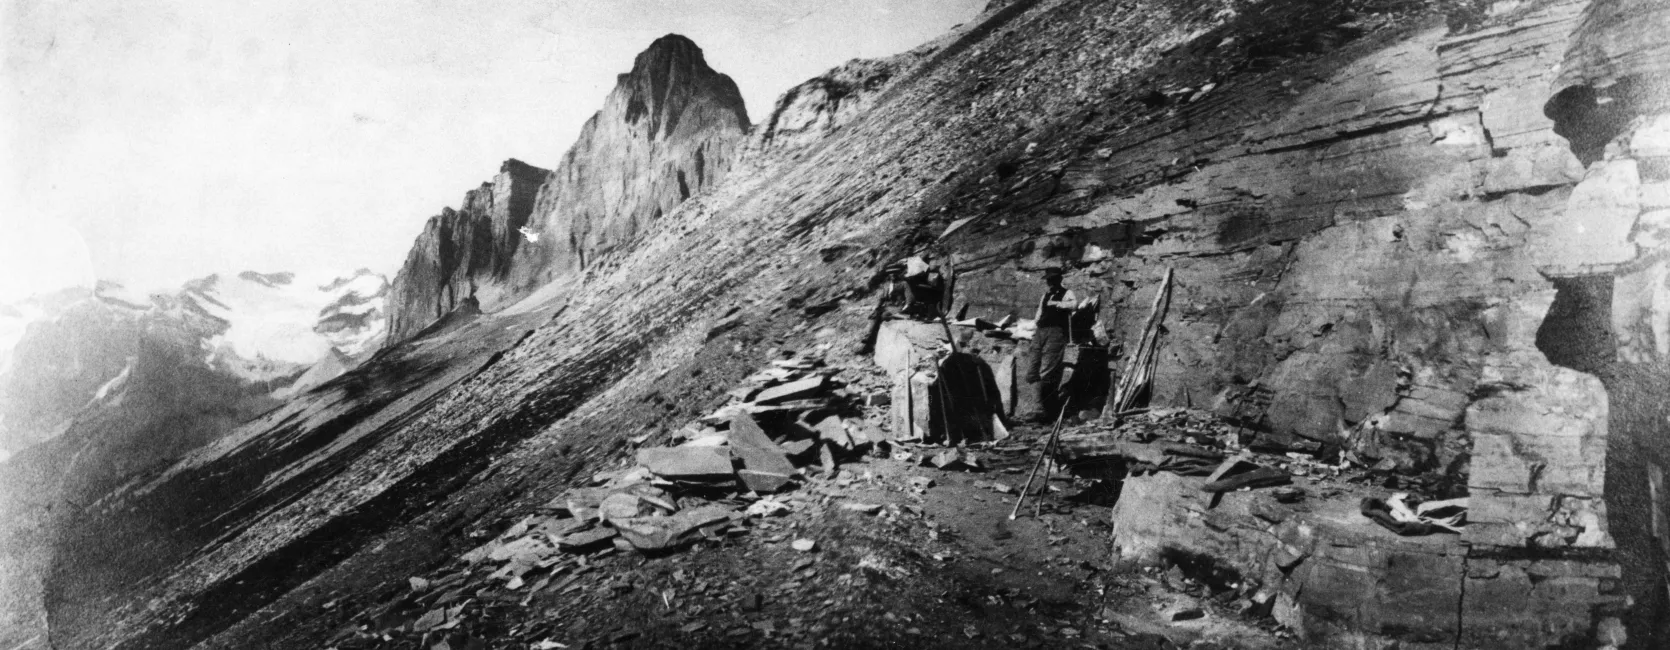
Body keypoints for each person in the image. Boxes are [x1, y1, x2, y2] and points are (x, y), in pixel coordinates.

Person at [1025, 267, 1082, 419]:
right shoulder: (1045, 295)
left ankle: (1046, 411)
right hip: (1041, 332)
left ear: (1059, 279)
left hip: (1056, 332)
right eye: (1049, 280)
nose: (1051, 283)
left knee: (1047, 369)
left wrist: (1057, 303)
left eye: (1053, 279)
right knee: (1033, 369)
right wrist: (1034, 328)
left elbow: (1074, 305)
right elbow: (1039, 314)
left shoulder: (1067, 293)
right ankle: (1037, 406)